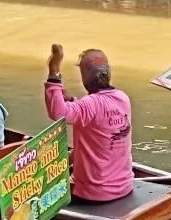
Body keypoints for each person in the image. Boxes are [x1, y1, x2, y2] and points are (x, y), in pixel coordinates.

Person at [44, 44, 133, 203]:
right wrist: (72, 101)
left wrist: (54, 70)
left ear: (85, 76)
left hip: (94, 194)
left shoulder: (89, 104)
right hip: (124, 187)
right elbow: (97, 117)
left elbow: (57, 113)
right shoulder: (122, 98)